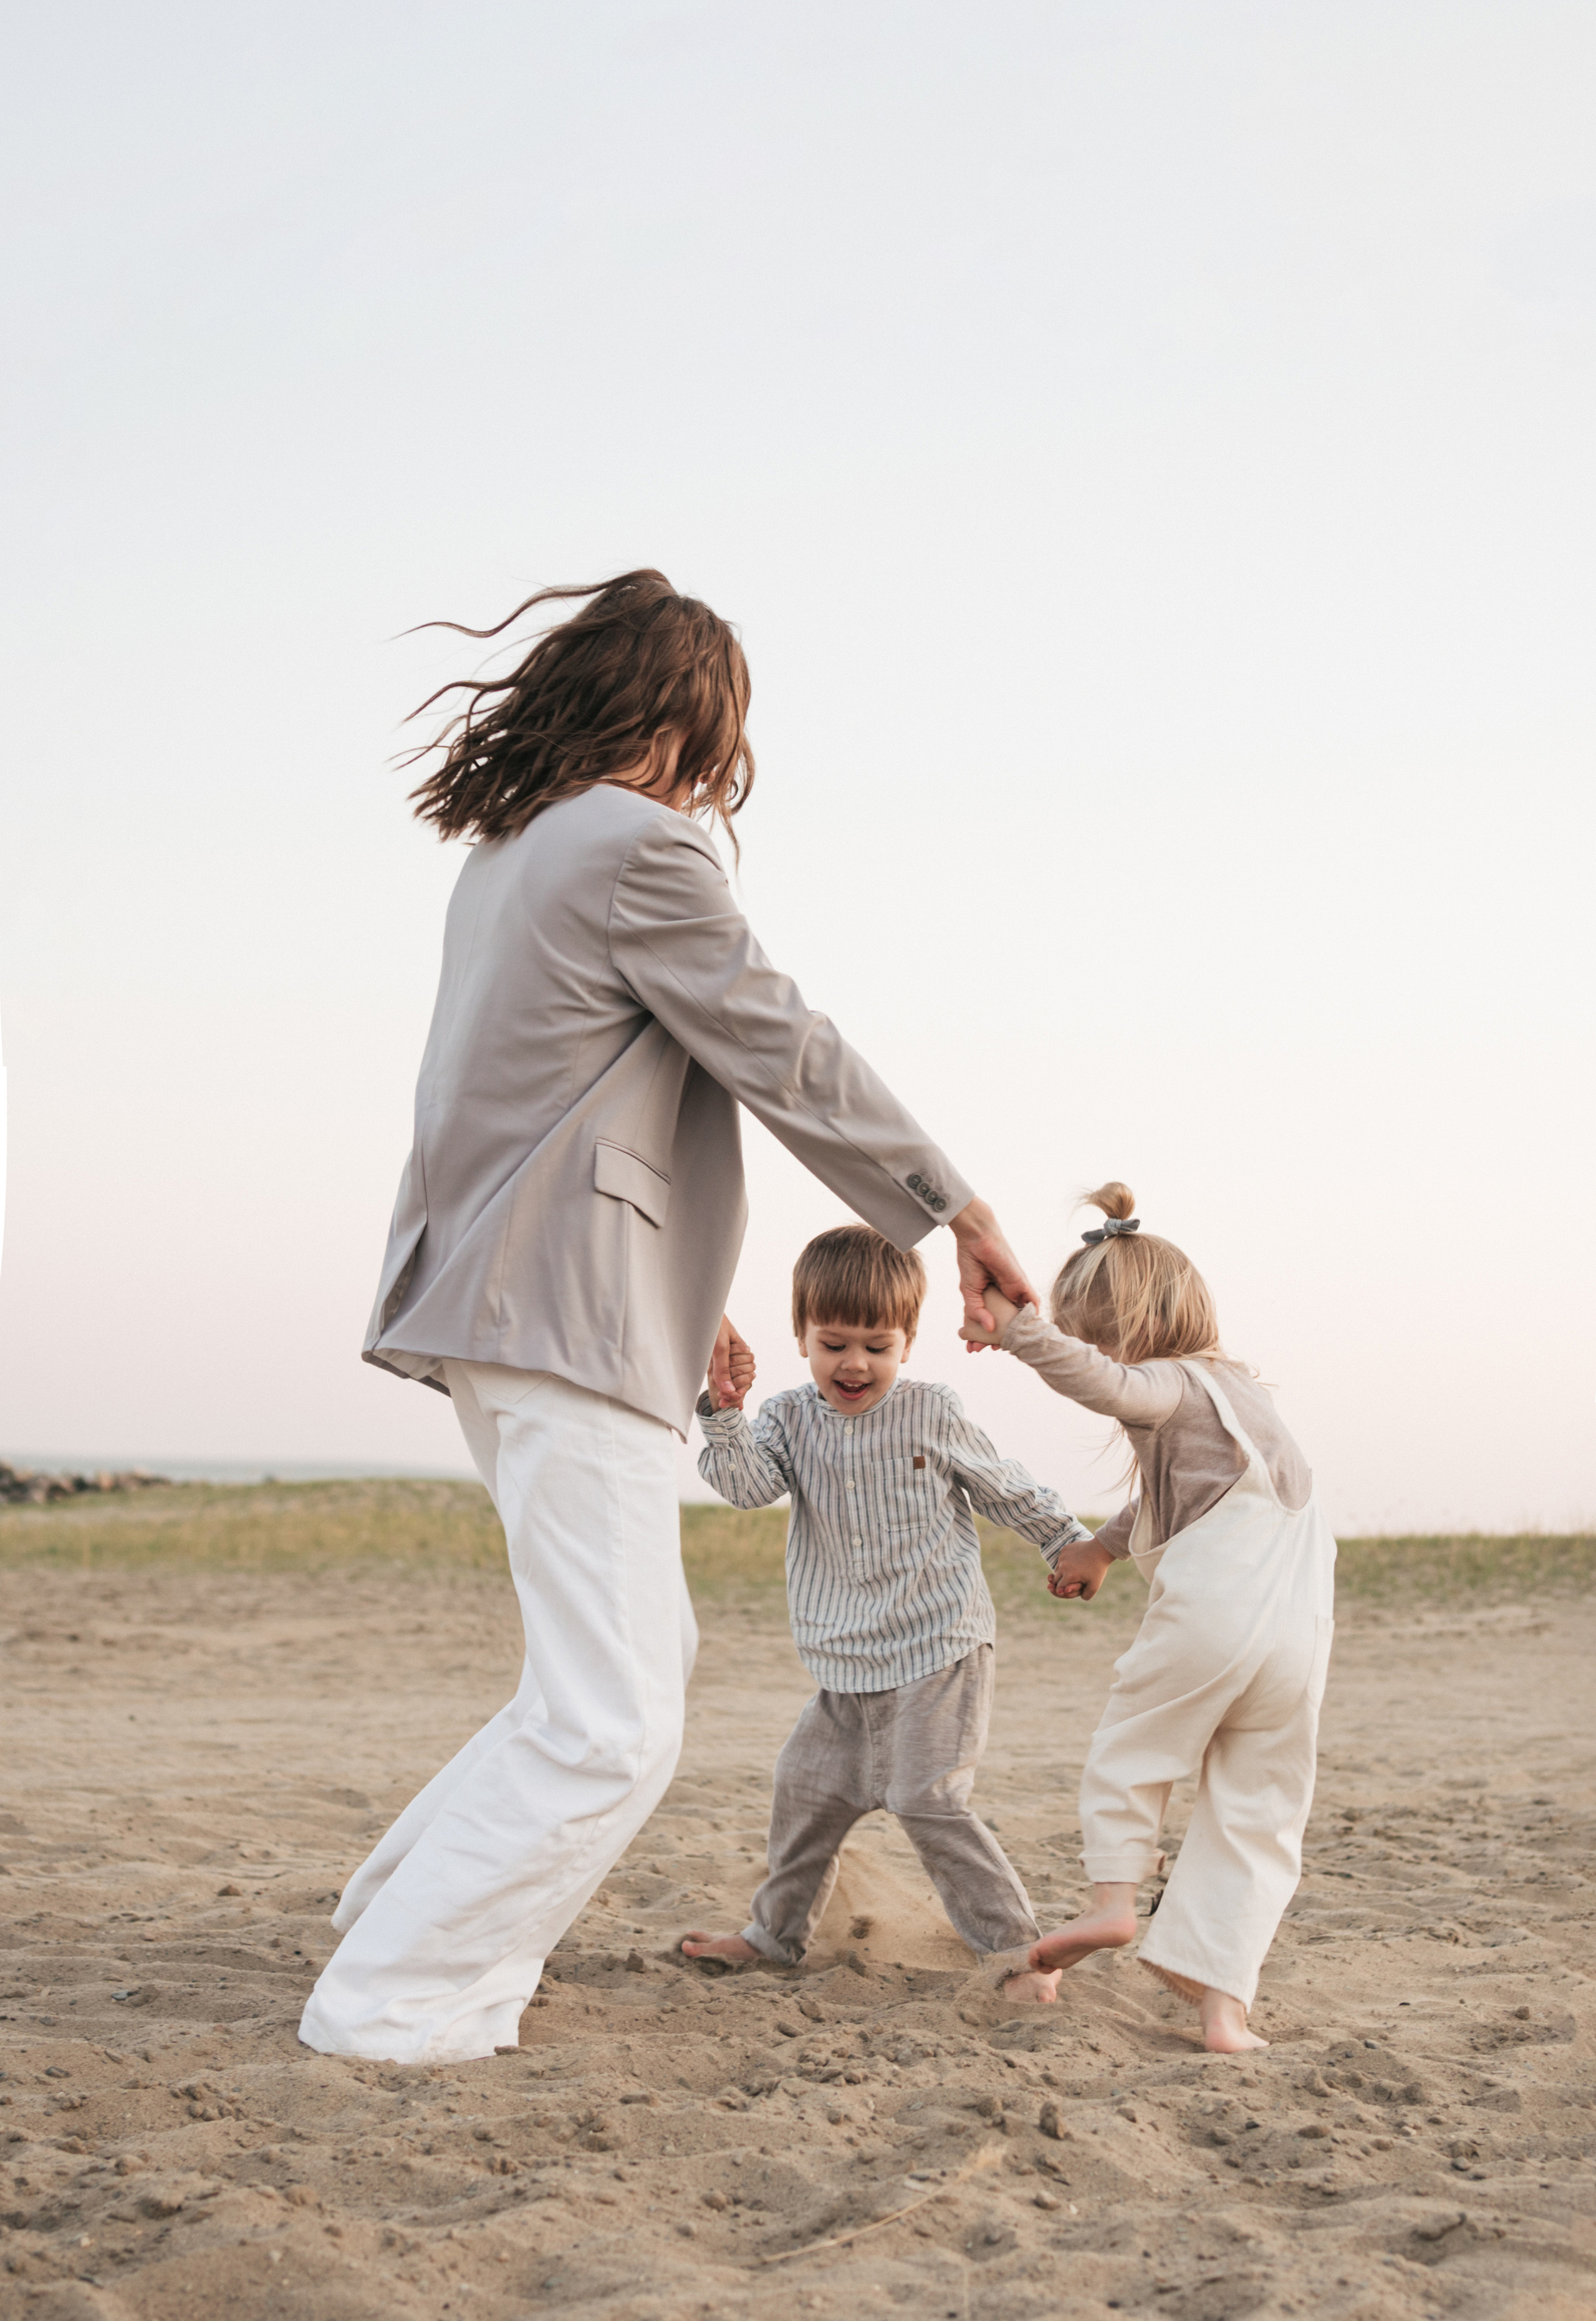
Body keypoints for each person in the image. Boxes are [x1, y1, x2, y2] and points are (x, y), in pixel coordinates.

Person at [298, 571, 1039, 2064]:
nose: (709, 780)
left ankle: (387, 1921)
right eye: (711, 745)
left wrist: (680, 1297)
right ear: (680, 721)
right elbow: (783, 1044)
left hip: (512, 1306)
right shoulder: (636, 846)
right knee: (616, 1716)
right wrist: (951, 1206)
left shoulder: (508, 855)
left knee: (587, 1681)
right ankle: (389, 1997)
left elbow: (540, 1104)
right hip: (562, 1314)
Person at [961, 1182, 1335, 2053]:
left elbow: (1105, 1387)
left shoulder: (1170, 1383)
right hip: (1297, 1633)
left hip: (1217, 1615)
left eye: (1099, 1336)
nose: (1092, 1353)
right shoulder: (1249, 1399)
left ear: (1150, 1327)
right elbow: (1184, 1502)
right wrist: (1099, 1547)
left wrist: (1017, 1331)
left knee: (1133, 1748)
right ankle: (1223, 2006)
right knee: (1259, 1808)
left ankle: (1112, 1903)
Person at [680, 1226, 1095, 2002]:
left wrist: (1065, 1542)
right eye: (833, 1342)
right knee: (803, 1793)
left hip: (938, 1645)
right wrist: (725, 1411)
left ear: (907, 1341)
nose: (854, 1364)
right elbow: (744, 1486)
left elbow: (1004, 1485)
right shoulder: (788, 1420)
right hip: (844, 1662)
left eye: (877, 1344)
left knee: (926, 1798)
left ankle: (1016, 1954)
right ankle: (775, 1936)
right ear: (801, 1334)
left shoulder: (929, 1411)